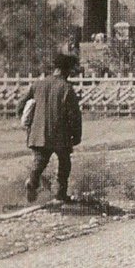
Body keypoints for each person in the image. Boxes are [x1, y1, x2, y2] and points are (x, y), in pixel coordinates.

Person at [18, 53, 83, 204]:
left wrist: (27, 124)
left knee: (39, 161)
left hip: (37, 133)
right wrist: (77, 135)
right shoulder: (66, 88)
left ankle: (32, 182)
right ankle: (60, 195)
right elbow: (74, 115)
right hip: (61, 135)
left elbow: (20, 105)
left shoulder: (37, 84)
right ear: (65, 70)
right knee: (64, 163)